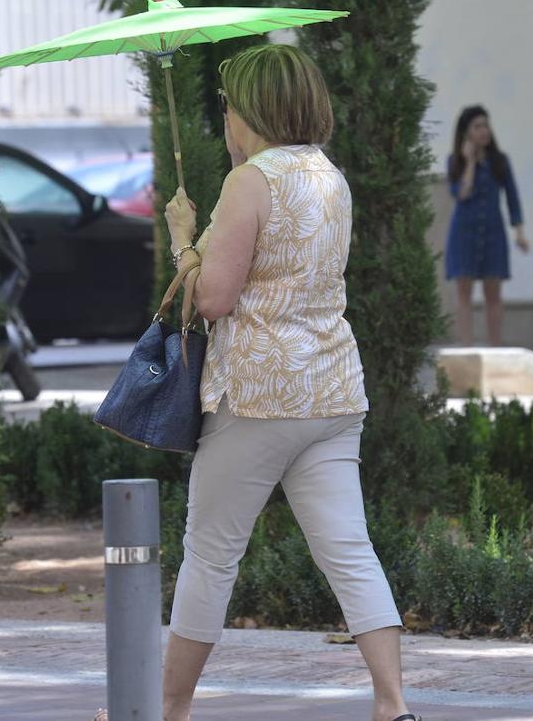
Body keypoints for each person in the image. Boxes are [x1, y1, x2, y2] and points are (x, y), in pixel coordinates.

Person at [161, 43, 418, 721]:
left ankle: (166, 713)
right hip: (332, 390)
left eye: (227, 105)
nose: (225, 118)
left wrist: (183, 239)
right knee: (350, 551)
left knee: (210, 556)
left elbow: (212, 300)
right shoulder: (330, 176)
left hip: (259, 395)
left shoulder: (251, 182)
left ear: (248, 110)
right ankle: (393, 706)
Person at [445, 105, 529, 346]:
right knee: (464, 294)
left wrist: (520, 233)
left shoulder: (500, 161)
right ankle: (467, 350)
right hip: (463, 234)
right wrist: (470, 162)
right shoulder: (455, 161)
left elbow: (513, 198)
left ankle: (495, 349)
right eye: (477, 126)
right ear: (466, 133)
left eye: (486, 125)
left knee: (493, 294)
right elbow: (461, 193)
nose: (484, 131)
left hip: (493, 234)